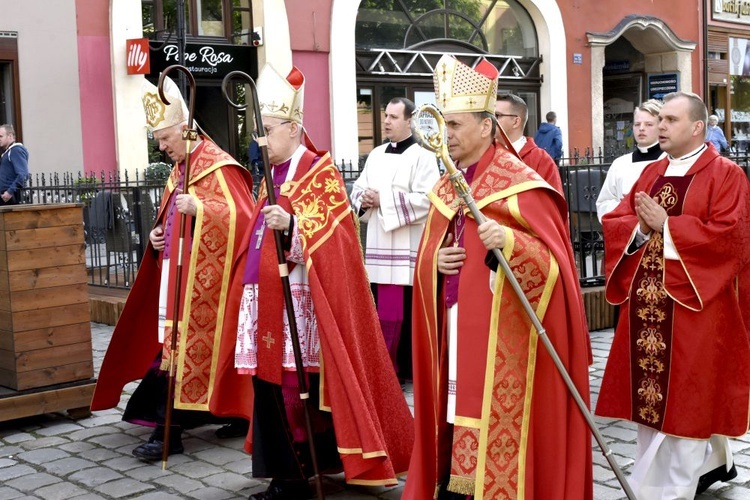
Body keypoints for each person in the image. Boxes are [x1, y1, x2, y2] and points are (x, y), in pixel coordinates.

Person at [404, 54, 593, 500]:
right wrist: (436, 261)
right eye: (443, 125)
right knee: (453, 410)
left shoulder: (522, 183)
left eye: (455, 125)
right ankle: (457, 484)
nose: (446, 135)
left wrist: (510, 241)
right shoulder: (449, 183)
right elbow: (431, 247)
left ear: (488, 127)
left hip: (503, 339)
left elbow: (556, 268)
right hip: (455, 328)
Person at [235, 63, 414, 500]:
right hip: (267, 303)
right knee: (272, 388)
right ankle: (287, 470)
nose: (261, 141)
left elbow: (337, 240)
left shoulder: (319, 172)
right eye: (258, 132)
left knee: (298, 390)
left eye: (269, 130)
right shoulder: (268, 176)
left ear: (294, 129)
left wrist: (292, 227)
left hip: (305, 305)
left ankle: (296, 476)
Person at [91, 76, 256, 460]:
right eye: (159, 140)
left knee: (192, 354)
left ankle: (172, 432)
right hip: (177, 278)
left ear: (185, 129)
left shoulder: (219, 166)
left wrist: (201, 209)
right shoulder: (180, 168)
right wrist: (156, 236)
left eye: (165, 139)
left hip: (212, 286)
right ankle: (200, 421)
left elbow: (245, 219)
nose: (162, 148)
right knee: (174, 352)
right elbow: (168, 217)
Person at [596, 91, 750, 498]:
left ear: (697, 127)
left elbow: (731, 239)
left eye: (670, 120)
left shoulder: (725, 174)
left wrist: (670, 226)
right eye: (658, 119)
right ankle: (699, 467)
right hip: (647, 307)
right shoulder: (651, 173)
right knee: (653, 404)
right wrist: (642, 230)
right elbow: (618, 218)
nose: (660, 126)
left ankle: (672, 490)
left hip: (696, 310)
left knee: (689, 402)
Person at [350, 97, 440, 378]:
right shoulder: (376, 154)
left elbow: (429, 199)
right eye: (385, 115)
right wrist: (364, 198)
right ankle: (380, 369)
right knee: (379, 310)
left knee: (403, 313)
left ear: (409, 121)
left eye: (393, 117)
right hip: (378, 244)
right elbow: (357, 189)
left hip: (407, 248)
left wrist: (384, 200)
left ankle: (401, 371)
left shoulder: (424, 157)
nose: (386, 121)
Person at [596, 99, 666, 221]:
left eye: (649, 124)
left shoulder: (670, 161)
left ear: (661, 127)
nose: (641, 129)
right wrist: (625, 206)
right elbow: (604, 203)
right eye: (637, 124)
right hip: (625, 232)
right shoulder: (620, 164)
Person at [494, 93, 563, 192]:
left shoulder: (541, 160)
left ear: (516, 122)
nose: (491, 120)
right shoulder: (484, 154)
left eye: (497, 115)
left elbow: (552, 204)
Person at [0, 124, 29, 205]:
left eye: (1, 136)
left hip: (10, 198)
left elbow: (23, 174)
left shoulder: (15, 150)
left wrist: (9, 192)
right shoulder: (8, 152)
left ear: (10, 136)